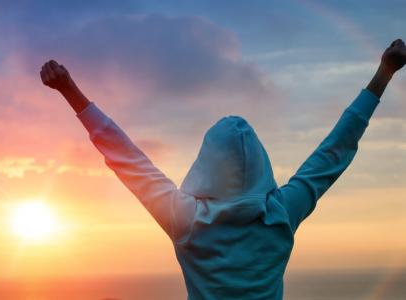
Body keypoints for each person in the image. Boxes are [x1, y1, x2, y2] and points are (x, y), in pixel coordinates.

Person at [40, 39, 406, 299]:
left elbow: (129, 160)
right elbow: (333, 153)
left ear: (205, 164)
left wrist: (69, 90)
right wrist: (384, 73)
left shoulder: (185, 219)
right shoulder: (280, 213)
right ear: (260, 162)